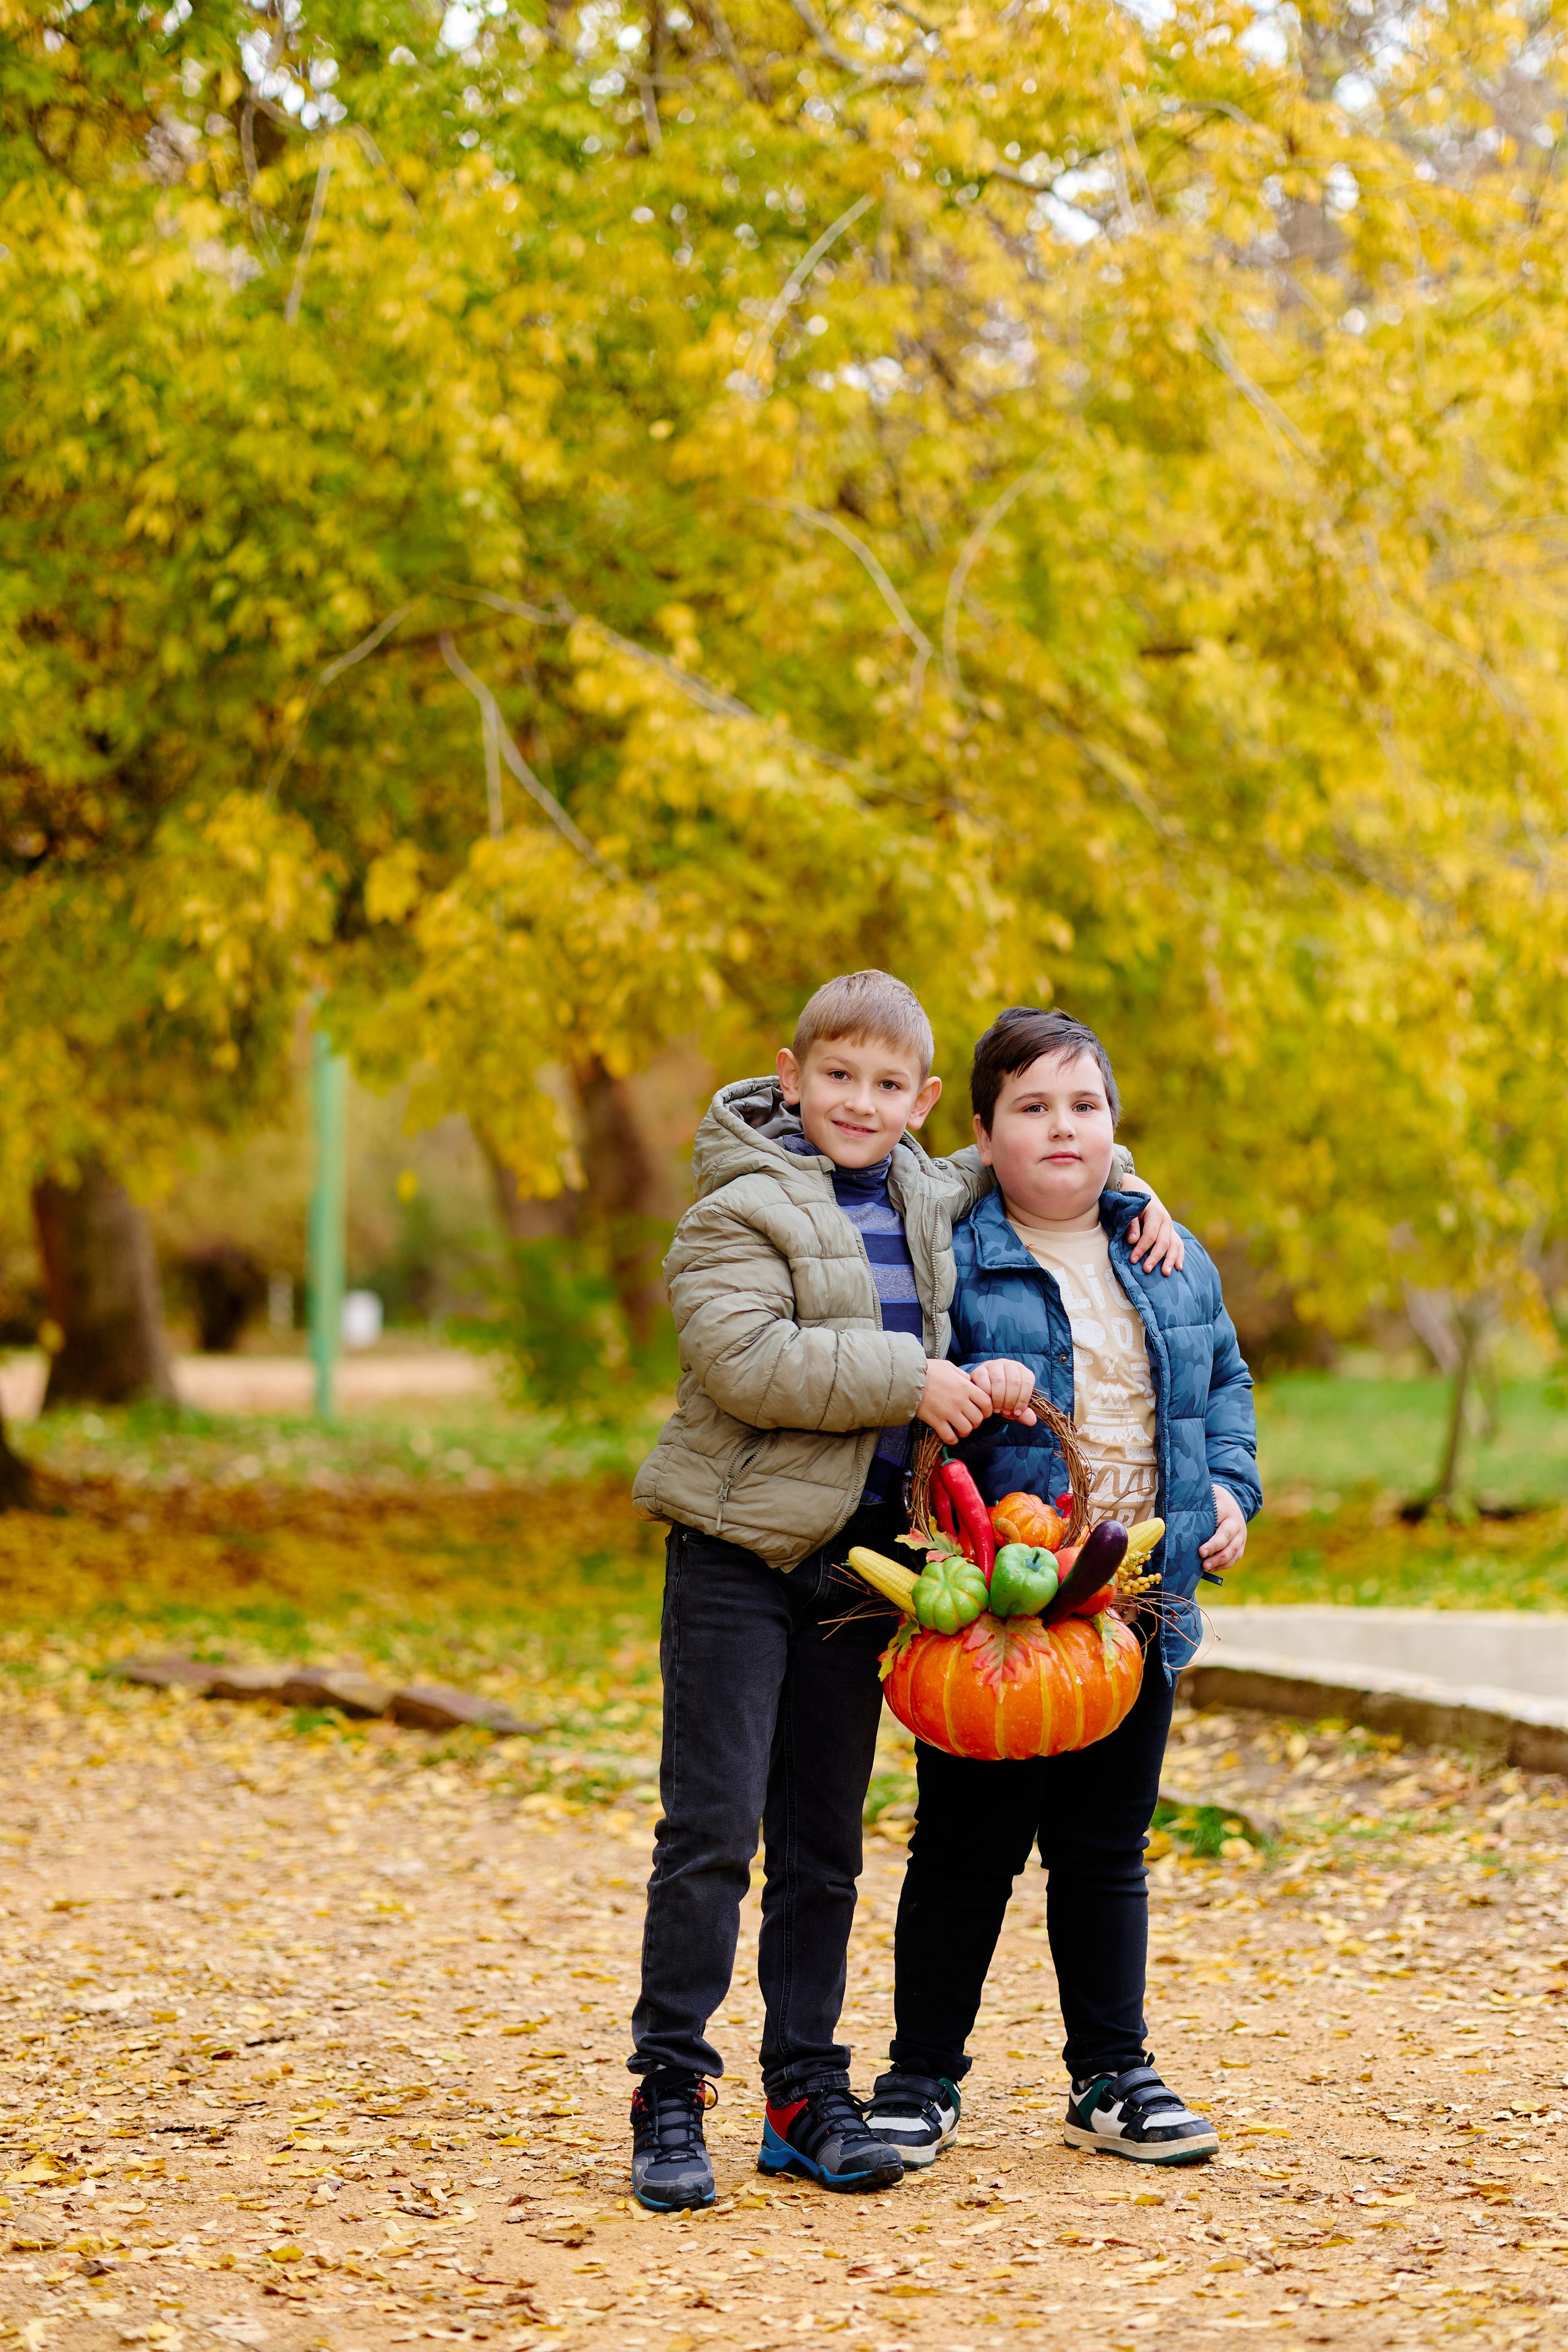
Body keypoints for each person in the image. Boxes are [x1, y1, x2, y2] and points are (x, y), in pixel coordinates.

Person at [625, 974, 1182, 2209]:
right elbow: (742, 1357)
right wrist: (913, 1379)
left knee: (823, 1844)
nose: (859, 1104)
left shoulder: (927, 1190)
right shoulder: (733, 1206)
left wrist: (1134, 1189)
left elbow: (1046, 1142)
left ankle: (802, 2092)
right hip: (733, 1554)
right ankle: (669, 2090)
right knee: (712, 1831)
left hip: (856, 1566)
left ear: (922, 1102)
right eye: (837, 1078)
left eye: (887, 1087)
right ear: (792, 1076)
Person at [864, 1006, 1259, 2170]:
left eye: (1085, 1107)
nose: (1061, 1129)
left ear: (1114, 1130)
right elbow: (921, 1412)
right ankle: (920, 2073)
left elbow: (1224, 1383)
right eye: (1031, 1108)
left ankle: (1112, 2074)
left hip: (1133, 1606)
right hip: (1003, 1610)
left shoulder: (1168, 1256)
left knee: (1105, 1846)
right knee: (965, 1849)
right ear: (982, 1134)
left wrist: (1231, 1491)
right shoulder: (958, 1263)